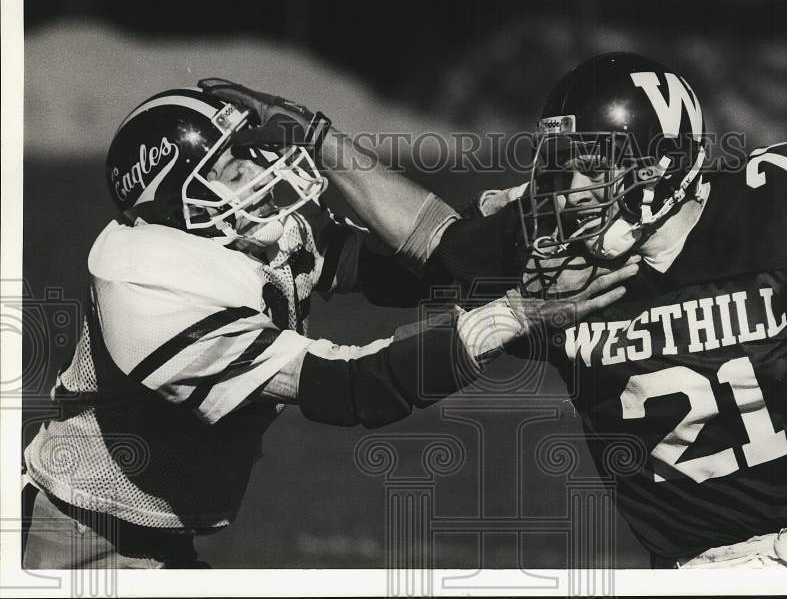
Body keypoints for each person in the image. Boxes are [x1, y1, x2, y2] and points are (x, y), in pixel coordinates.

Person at [222, 52, 787, 569]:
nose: (570, 190)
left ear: (661, 160)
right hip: (690, 566)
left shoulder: (784, 199)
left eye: (591, 166)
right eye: (560, 168)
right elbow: (432, 241)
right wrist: (318, 143)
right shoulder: (557, 262)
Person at [21, 88, 634, 569]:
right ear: (176, 199)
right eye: (231, 166)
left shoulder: (243, 230)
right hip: (75, 538)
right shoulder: (152, 285)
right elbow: (349, 388)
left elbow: (418, 267)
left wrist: (521, 224)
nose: (258, 169)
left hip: (148, 534)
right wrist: (514, 315)